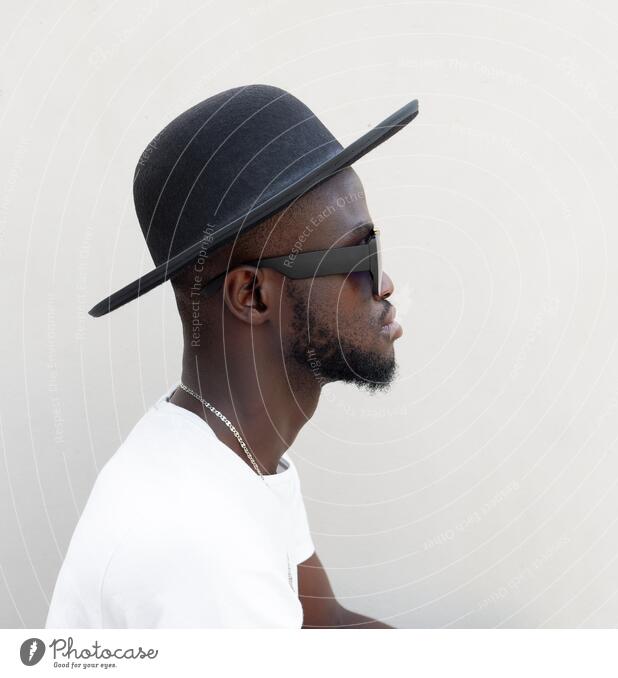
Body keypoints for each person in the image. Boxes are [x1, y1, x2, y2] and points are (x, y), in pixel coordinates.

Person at [45, 85, 418, 628]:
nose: (384, 283)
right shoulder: (199, 548)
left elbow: (326, 626)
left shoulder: (230, 452)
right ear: (252, 295)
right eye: (362, 254)